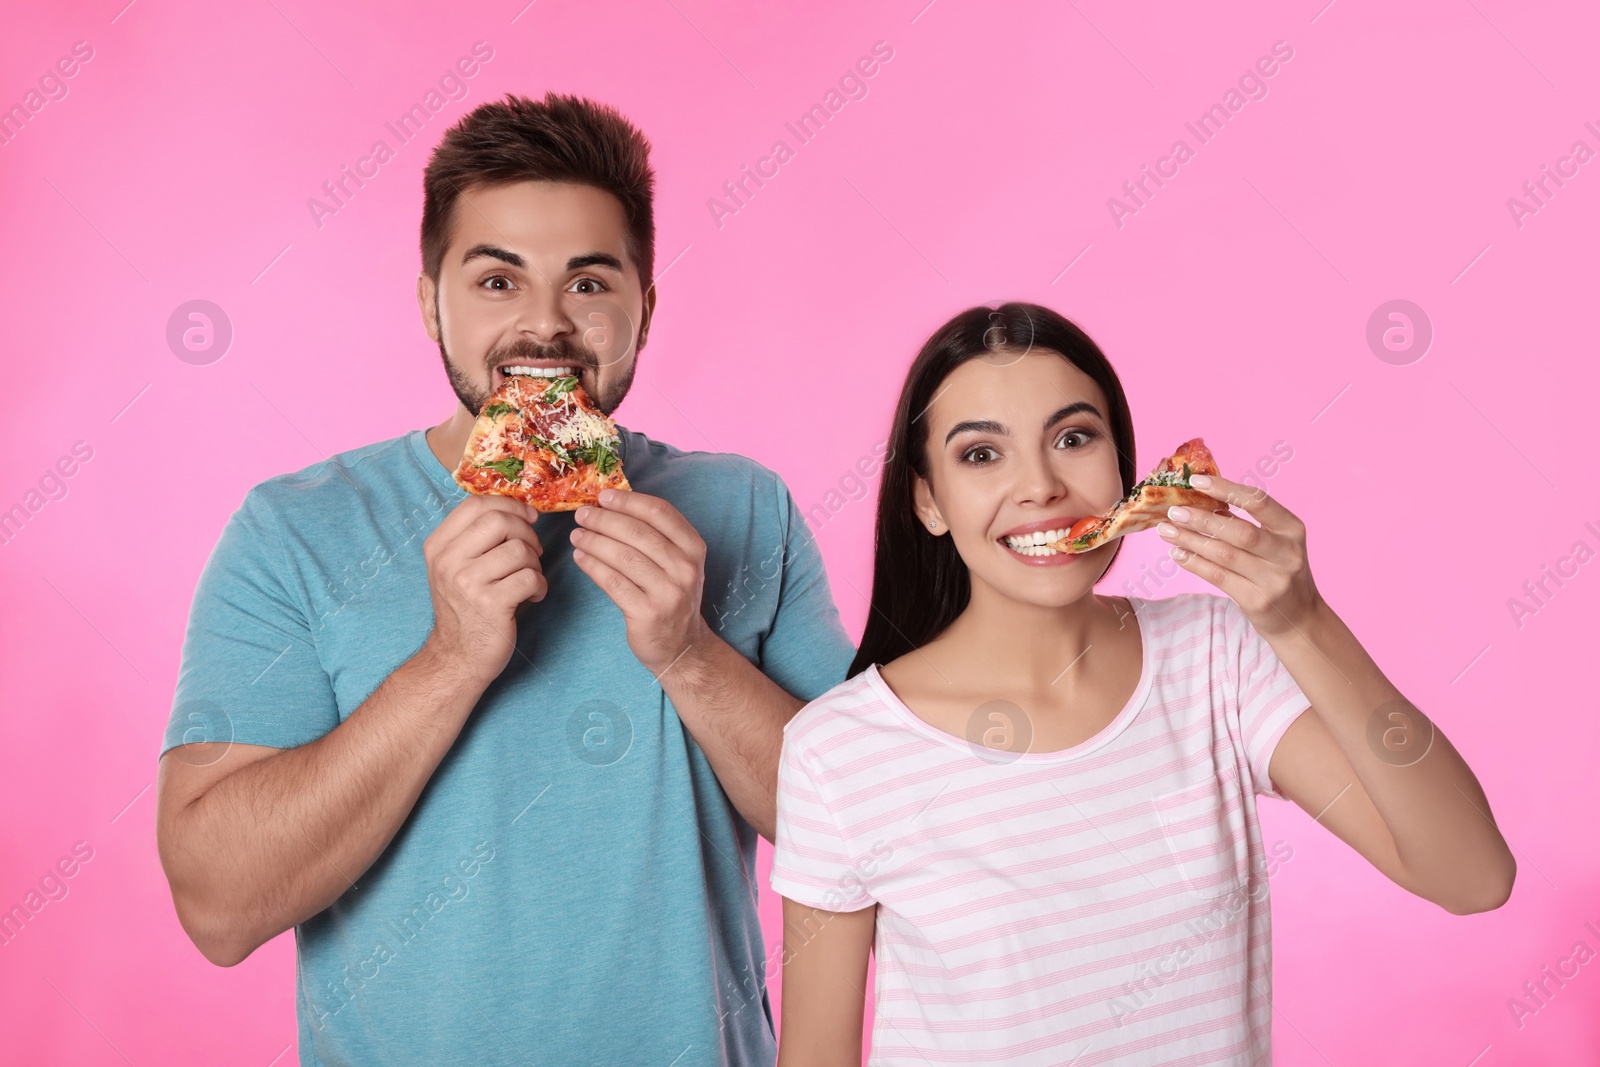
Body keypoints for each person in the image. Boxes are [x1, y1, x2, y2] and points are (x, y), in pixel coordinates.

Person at [155, 91, 855, 1066]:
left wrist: (690, 655)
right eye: (495, 281)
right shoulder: (294, 529)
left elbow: (879, 827)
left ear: (642, 309)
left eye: (587, 283)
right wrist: (447, 661)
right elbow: (219, 905)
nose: (543, 327)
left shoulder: (743, 508)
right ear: (428, 300)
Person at [768, 302, 1515, 1066]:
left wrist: (1302, 622)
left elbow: (1472, 874)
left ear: (1125, 470)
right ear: (928, 500)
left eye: (1073, 437)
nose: (1040, 487)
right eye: (982, 455)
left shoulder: (1214, 657)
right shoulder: (840, 749)